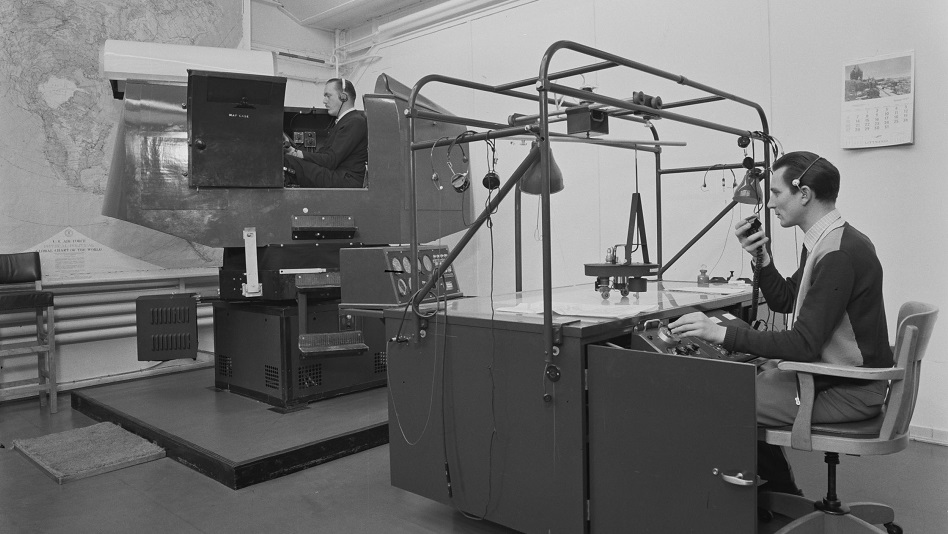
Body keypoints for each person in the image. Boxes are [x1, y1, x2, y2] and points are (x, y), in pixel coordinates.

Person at [669, 151, 892, 496]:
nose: (769, 204)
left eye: (776, 193)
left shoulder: (838, 254)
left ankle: (727, 509)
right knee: (746, 382)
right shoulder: (830, 240)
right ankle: (782, 494)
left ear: (804, 193)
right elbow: (786, 299)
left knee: (714, 398)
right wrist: (762, 259)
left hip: (848, 390)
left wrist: (721, 333)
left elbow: (803, 345)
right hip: (834, 379)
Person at [283, 78, 368, 188]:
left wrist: (296, 154)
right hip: (339, 175)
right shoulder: (344, 122)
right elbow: (323, 155)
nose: (324, 101)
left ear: (343, 97)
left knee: (288, 161)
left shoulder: (355, 121)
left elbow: (330, 160)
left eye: (328, 96)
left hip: (346, 179)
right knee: (290, 160)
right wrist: (293, 151)